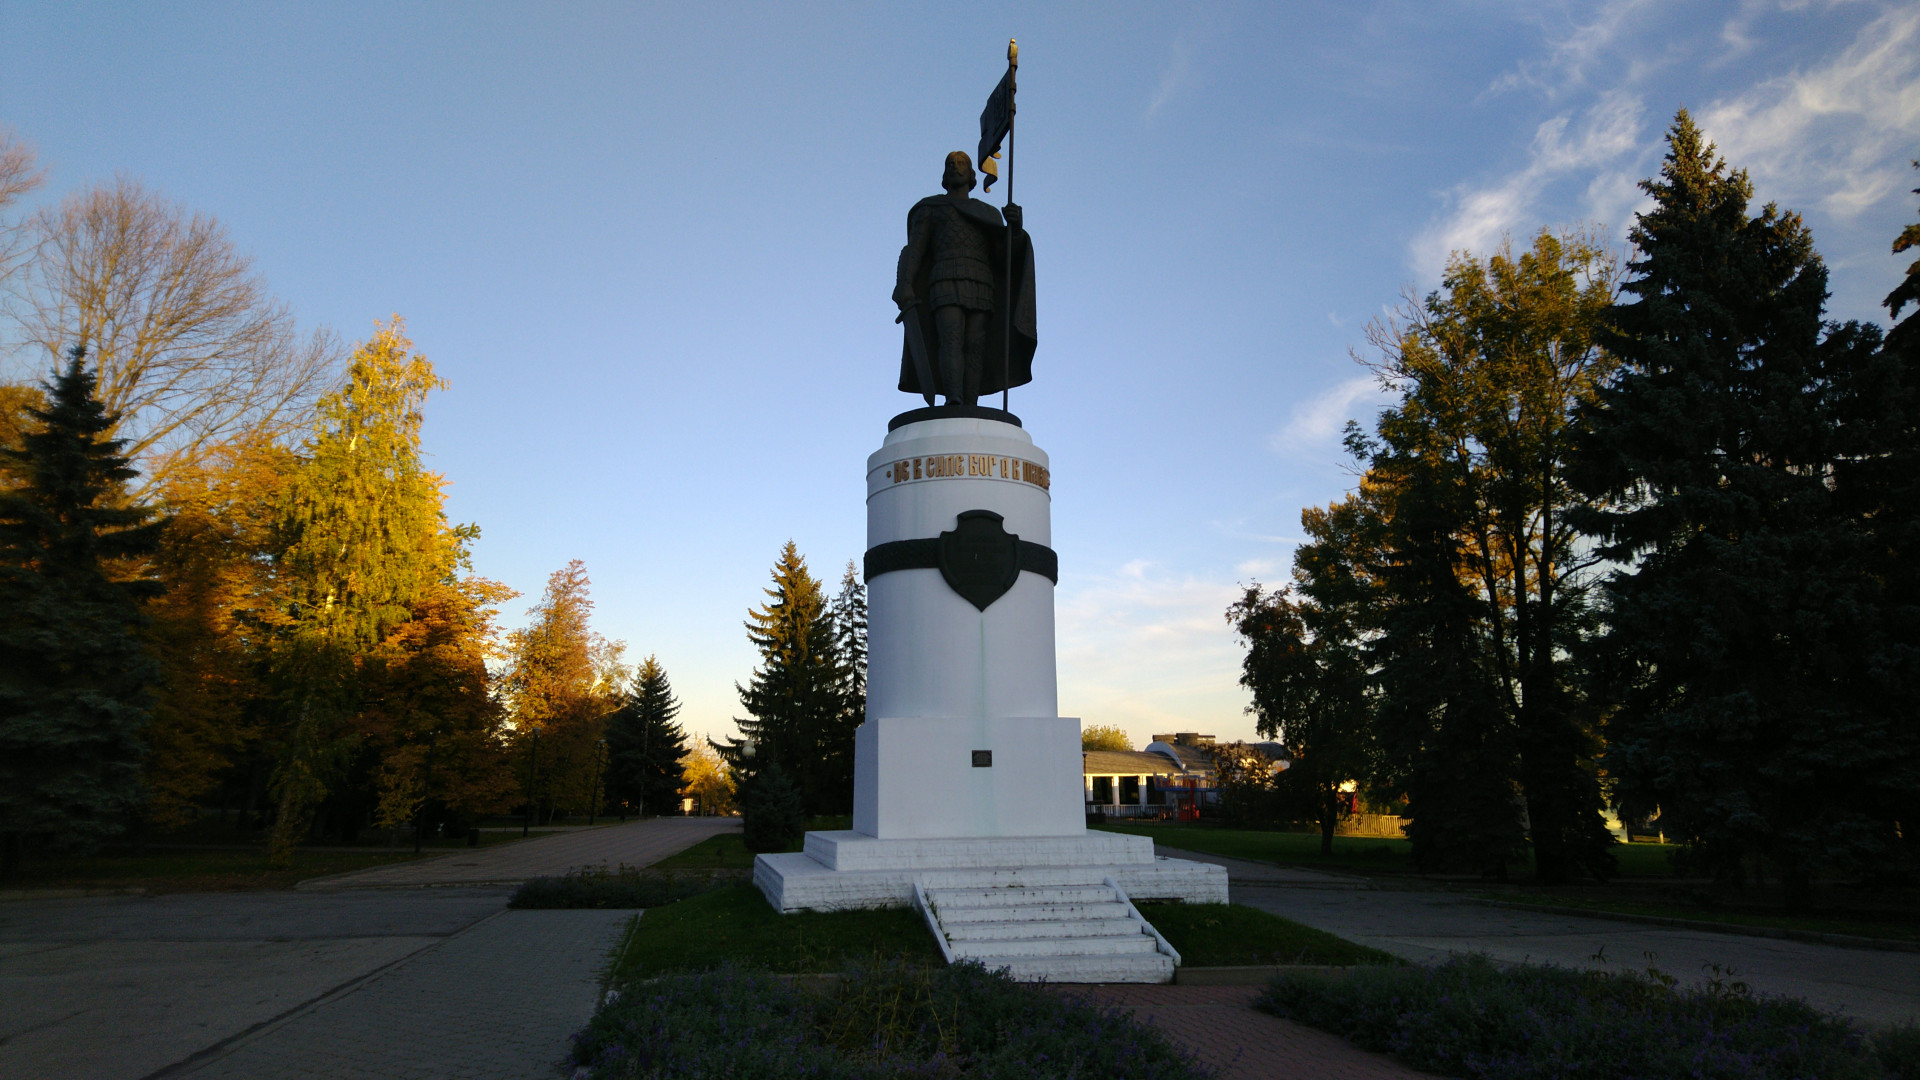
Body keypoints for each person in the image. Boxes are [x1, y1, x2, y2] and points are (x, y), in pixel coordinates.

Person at [892, 151, 1036, 406]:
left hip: (981, 280)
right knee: (951, 338)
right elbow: (915, 250)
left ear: (971, 174)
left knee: (976, 344)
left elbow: (1003, 258)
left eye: (961, 164)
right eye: (950, 164)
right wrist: (905, 283)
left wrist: (1014, 230)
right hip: (944, 277)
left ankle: (970, 402)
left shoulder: (988, 212)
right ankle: (954, 398)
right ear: (944, 174)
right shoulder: (931, 208)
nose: (955, 167)